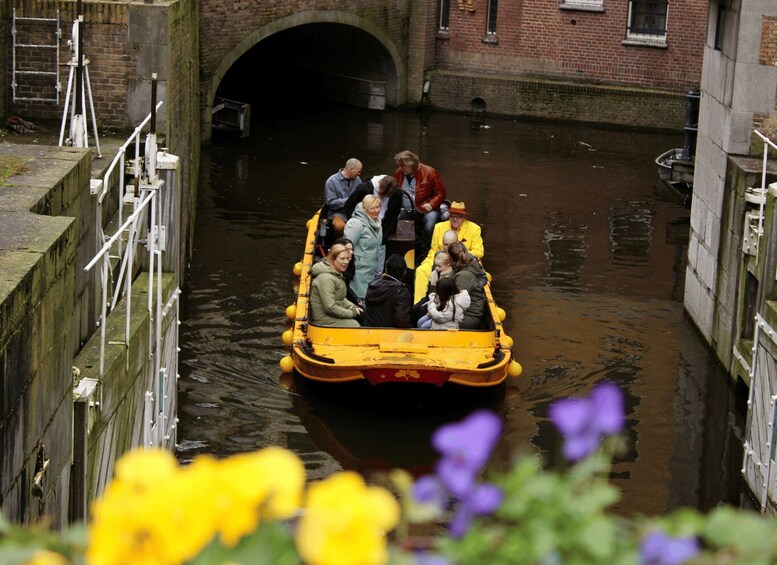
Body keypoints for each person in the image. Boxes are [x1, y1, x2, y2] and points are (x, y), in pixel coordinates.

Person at [412, 201, 484, 302]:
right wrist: (437, 261)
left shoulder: (475, 229)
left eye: (458, 216)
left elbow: (479, 252)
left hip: (460, 262)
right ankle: (418, 304)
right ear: (448, 216)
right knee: (421, 271)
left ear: (464, 218)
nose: (455, 219)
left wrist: (459, 255)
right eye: (452, 216)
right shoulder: (439, 227)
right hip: (440, 258)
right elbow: (434, 249)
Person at [392, 150, 446, 266]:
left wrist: (431, 204)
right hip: (407, 209)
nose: (401, 168)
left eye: (403, 166)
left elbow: (440, 193)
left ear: (412, 165)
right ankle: (404, 255)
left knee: (429, 225)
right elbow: (394, 191)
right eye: (400, 166)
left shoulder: (430, 172)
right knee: (399, 225)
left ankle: (424, 255)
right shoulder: (398, 173)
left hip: (426, 207)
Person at [344, 175, 402, 276]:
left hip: (382, 227)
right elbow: (349, 205)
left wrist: (386, 234)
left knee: (378, 264)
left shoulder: (397, 194)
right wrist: (357, 222)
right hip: (363, 225)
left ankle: (377, 276)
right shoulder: (363, 188)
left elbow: (394, 216)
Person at [309, 244, 362, 327]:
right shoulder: (326, 278)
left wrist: (352, 306)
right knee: (355, 325)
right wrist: (352, 313)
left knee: (363, 315)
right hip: (323, 320)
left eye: (348, 258)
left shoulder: (336, 274)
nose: (346, 262)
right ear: (333, 259)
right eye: (342, 259)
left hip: (330, 315)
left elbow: (340, 299)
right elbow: (330, 308)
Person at [344, 194, 383, 301]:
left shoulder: (378, 223)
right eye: (372, 208)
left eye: (378, 207)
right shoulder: (356, 224)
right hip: (358, 271)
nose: (376, 210)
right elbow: (346, 247)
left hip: (371, 270)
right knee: (359, 299)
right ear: (365, 209)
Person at [363, 254, 412, 328]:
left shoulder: (372, 285)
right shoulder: (402, 292)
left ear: (386, 269)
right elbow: (401, 320)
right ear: (405, 272)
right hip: (390, 335)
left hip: (369, 332)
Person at [448, 241, 486, 330]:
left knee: (427, 325)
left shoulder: (463, 276)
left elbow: (458, 304)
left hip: (469, 315)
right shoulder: (461, 267)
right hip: (462, 312)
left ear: (451, 257)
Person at [414, 250, 454, 328]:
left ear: (448, 264)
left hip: (443, 309)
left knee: (423, 325)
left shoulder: (450, 278)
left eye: (439, 266)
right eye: (435, 266)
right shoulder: (434, 274)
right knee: (416, 313)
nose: (437, 269)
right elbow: (430, 292)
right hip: (433, 301)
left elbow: (447, 302)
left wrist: (432, 310)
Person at [324, 158, 363, 236]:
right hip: (338, 213)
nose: (359, 174)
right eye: (358, 171)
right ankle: (340, 242)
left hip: (354, 212)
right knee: (340, 227)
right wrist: (349, 200)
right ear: (350, 169)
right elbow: (331, 203)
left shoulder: (357, 180)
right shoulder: (331, 181)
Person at [331, 236, 359, 308]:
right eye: (347, 250)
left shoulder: (350, 265)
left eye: (352, 249)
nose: (351, 252)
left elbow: (347, 287)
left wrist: (356, 299)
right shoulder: (336, 269)